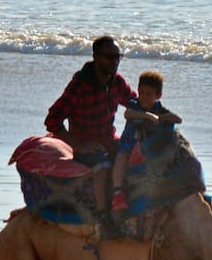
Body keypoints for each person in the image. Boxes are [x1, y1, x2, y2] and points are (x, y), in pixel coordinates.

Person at [43, 35, 136, 236]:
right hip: (87, 149)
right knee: (104, 166)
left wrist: (157, 114)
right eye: (109, 57)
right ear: (95, 57)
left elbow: (134, 103)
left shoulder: (116, 82)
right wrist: (78, 144)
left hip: (109, 142)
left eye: (118, 56)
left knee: (137, 157)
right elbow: (53, 119)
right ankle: (104, 217)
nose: (115, 61)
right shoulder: (80, 85)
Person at [110, 70, 182, 232]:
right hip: (129, 144)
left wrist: (161, 117)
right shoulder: (135, 105)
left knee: (177, 155)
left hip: (148, 146)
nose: (143, 97)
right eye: (141, 92)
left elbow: (178, 119)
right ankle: (117, 192)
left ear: (158, 95)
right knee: (121, 158)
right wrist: (148, 116)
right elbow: (128, 114)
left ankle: (194, 192)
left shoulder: (158, 107)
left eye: (148, 94)